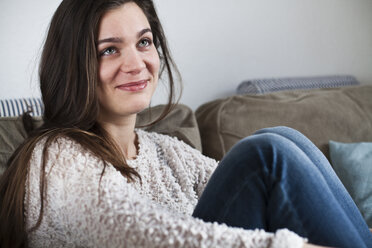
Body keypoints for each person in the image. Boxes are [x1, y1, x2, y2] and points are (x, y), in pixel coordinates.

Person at [0, 0, 371, 247]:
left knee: (284, 139)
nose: (136, 63)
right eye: (109, 50)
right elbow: (146, 238)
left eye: (144, 43)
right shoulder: (57, 156)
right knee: (266, 154)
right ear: (73, 65)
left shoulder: (162, 150)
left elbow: (256, 192)